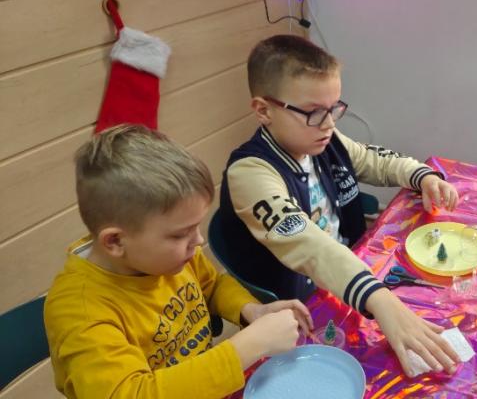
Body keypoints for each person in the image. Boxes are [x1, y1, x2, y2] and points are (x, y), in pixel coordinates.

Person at [218, 34, 461, 377]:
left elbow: (376, 160)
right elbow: (310, 246)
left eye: (333, 109)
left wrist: (422, 176)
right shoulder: (250, 173)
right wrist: (380, 300)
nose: (330, 124)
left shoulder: (325, 140)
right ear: (264, 110)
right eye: (314, 113)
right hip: (303, 305)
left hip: (350, 273)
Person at [44, 125, 314, 398]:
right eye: (180, 234)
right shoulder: (80, 312)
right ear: (115, 241)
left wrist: (250, 311)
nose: (198, 241)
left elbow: (212, 286)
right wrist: (248, 347)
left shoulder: (169, 258)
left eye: (195, 227)